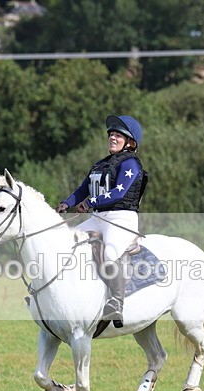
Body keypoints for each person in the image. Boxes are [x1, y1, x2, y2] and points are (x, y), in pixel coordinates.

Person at [56, 115, 147, 328]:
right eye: (111, 134)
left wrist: (90, 203)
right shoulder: (100, 165)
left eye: (118, 135)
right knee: (67, 243)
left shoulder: (131, 163)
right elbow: (82, 189)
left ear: (130, 143)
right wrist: (66, 203)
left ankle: (116, 302)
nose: (112, 138)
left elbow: (119, 192)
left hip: (121, 218)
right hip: (98, 218)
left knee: (110, 253)